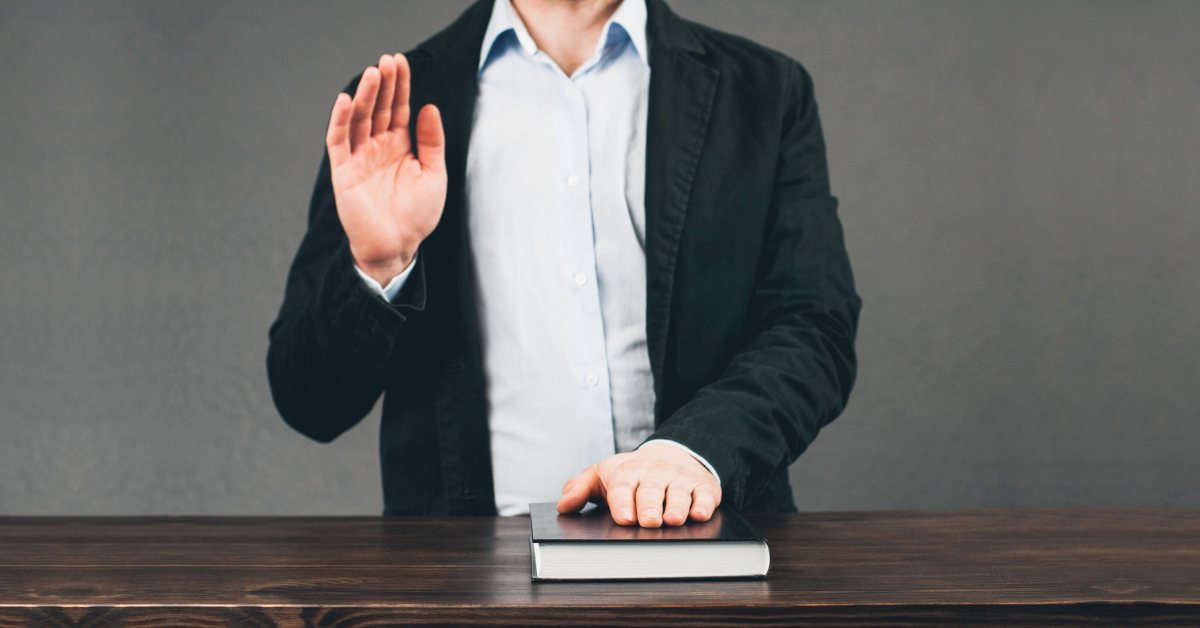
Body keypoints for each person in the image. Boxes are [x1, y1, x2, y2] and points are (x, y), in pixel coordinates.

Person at [267, 0, 860, 528]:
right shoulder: (395, 107)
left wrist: (692, 452)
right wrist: (377, 268)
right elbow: (308, 402)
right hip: (465, 589)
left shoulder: (762, 91)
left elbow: (814, 329)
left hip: (712, 551)